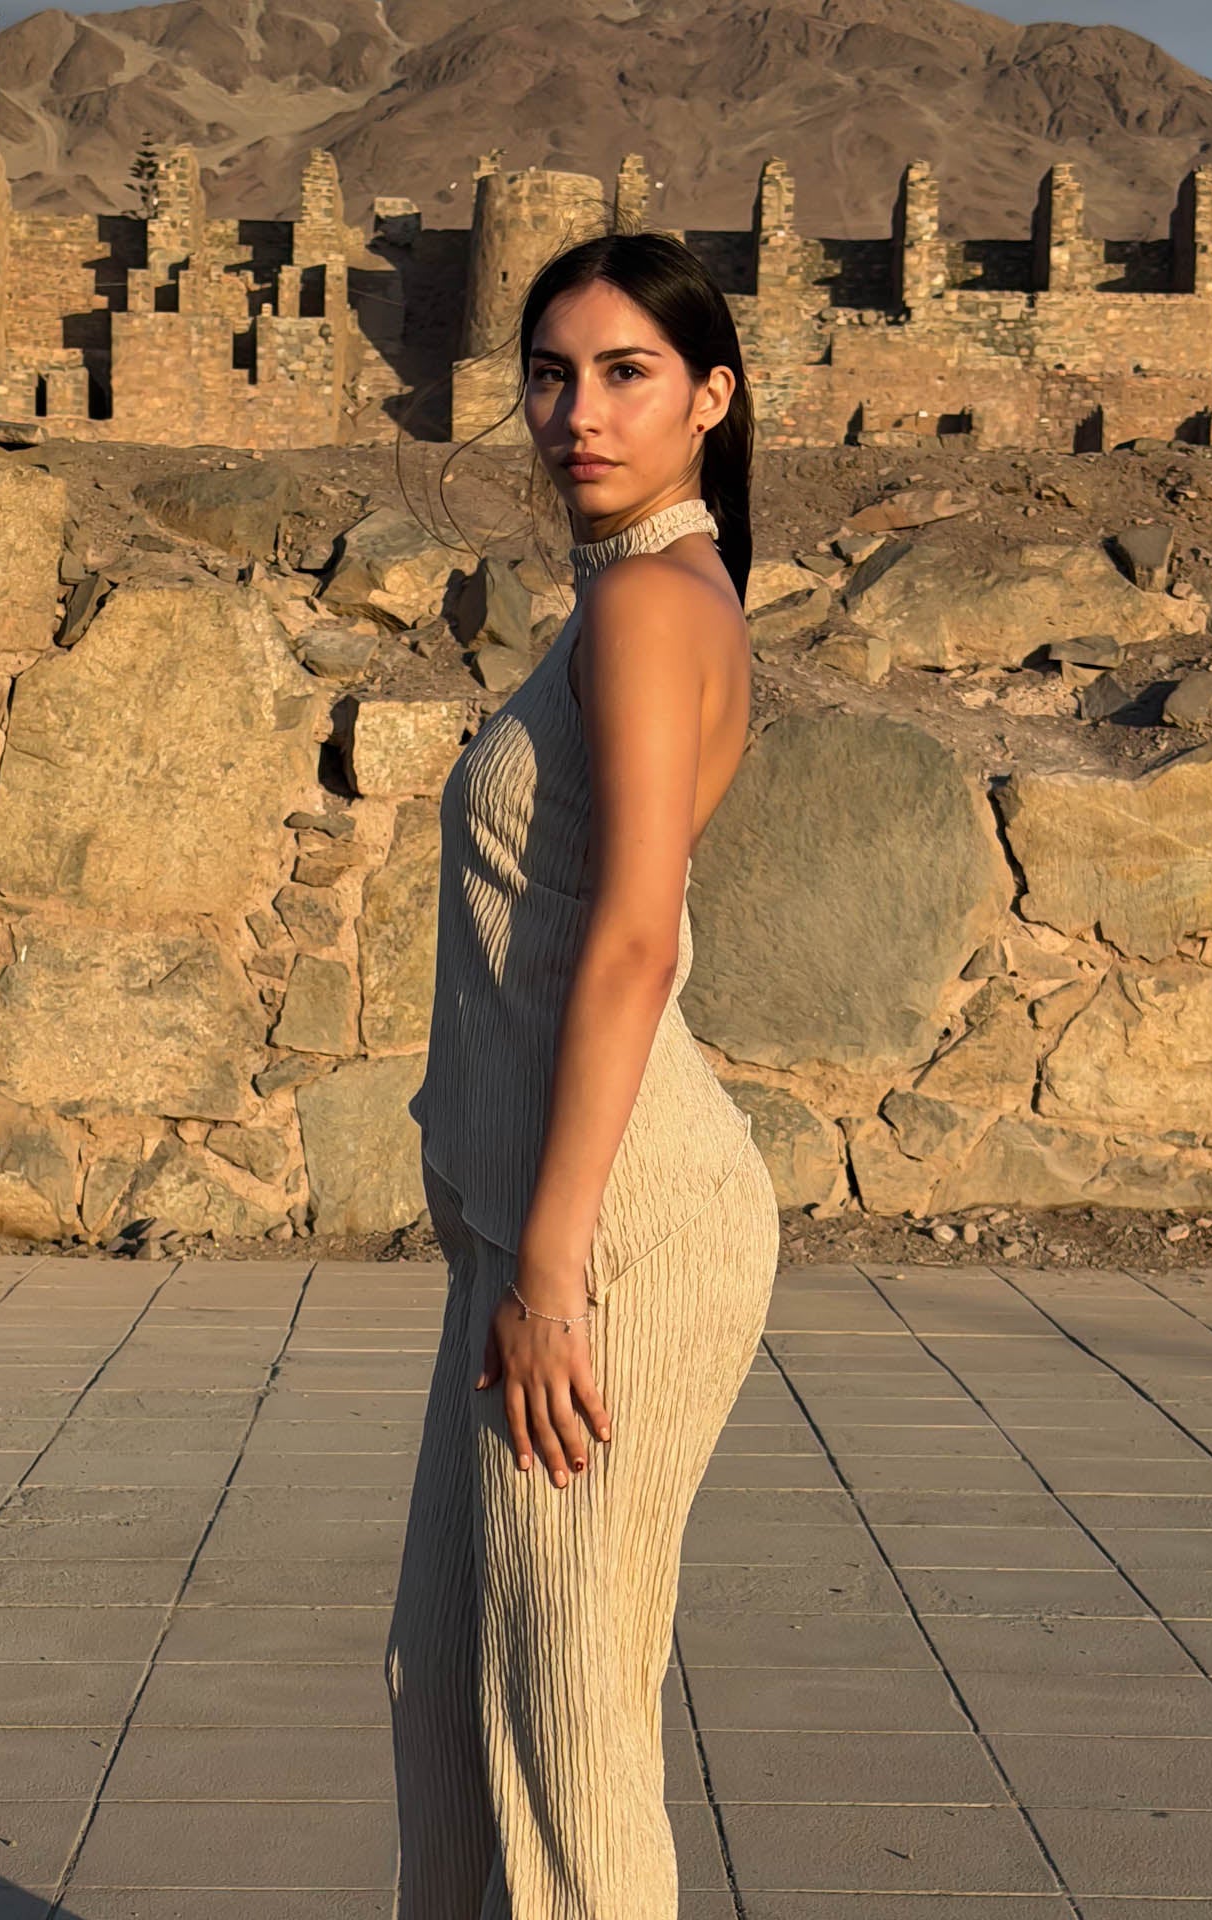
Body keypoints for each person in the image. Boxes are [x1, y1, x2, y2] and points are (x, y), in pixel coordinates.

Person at [383, 227, 781, 1920]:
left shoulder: (650, 604)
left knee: (564, 1734)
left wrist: (553, 1273)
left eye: (626, 374)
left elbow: (631, 941)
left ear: (712, 398)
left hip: (608, 1236)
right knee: (445, 1691)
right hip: (530, 1225)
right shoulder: (636, 599)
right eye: (551, 376)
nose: (578, 415)